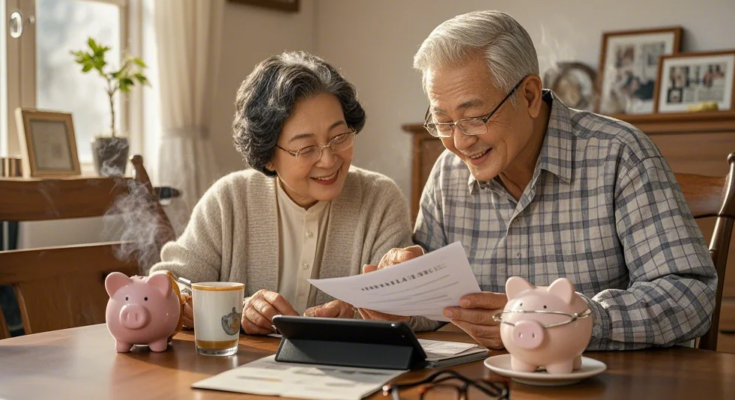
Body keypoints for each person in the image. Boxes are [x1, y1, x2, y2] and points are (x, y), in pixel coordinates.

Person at [369, 10, 717, 350]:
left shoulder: (619, 154)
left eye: (474, 118)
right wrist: (398, 301)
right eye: (443, 122)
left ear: (531, 96)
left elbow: (691, 297)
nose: (459, 142)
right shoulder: (448, 174)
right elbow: (437, 309)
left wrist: (566, 321)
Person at [150, 51, 414, 334]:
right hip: (239, 371)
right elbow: (167, 288)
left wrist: (359, 314)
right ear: (268, 157)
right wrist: (237, 309)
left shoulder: (381, 199)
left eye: (339, 137)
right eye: (306, 147)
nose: (328, 160)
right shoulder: (229, 200)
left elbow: (415, 309)